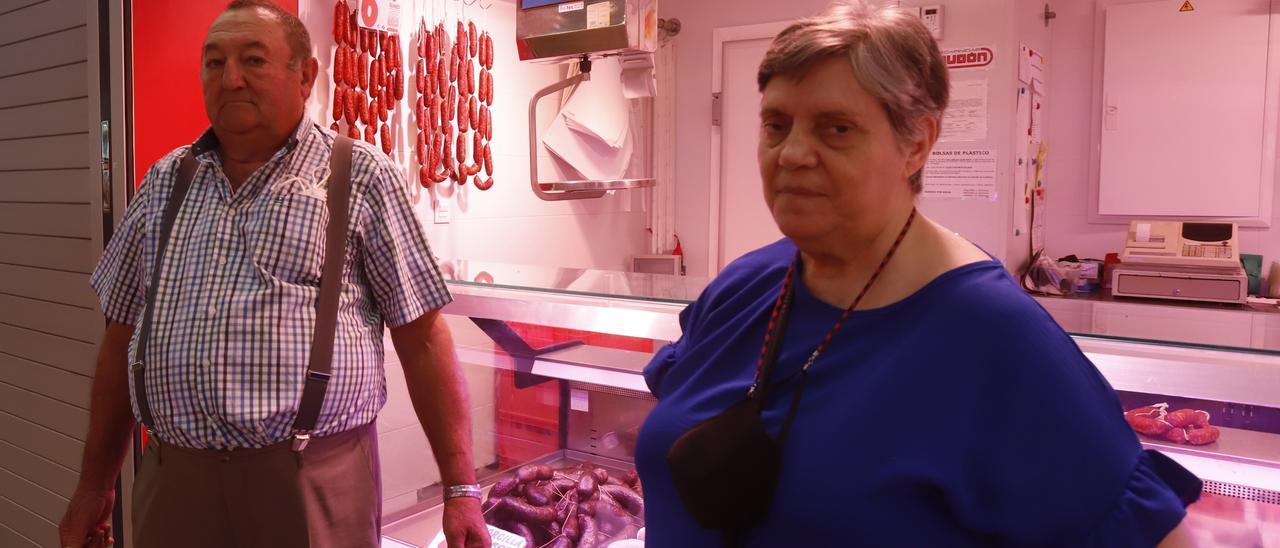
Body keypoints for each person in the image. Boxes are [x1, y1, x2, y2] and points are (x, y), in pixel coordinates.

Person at [634, 1, 1203, 546]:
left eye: (836, 128)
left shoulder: (995, 339)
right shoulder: (746, 284)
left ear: (917, 143)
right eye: (776, 125)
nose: (792, 154)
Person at [57, 2, 489, 547]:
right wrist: (93, 485)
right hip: (173, 482)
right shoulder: (165, 181)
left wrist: (460, 490)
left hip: (311, 483)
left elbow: (423, 340)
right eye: (213, 63)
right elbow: (120, 337)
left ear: (305, 75)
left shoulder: (361, 177)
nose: (230, 78)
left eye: (253, 60)